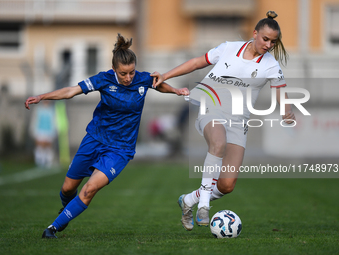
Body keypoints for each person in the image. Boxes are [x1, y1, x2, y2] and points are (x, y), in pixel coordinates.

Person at [25, 34, 189, 239]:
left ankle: (53, 228)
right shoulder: (103, 79)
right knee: (68, 189)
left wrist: (176, 90)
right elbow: (70, 91)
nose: (128, 78)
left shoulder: (142, 78)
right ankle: (67, 212)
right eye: (123, 74)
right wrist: (42, 96)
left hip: (120, 150)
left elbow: (158, 83)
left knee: (89, 189)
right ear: (114, 71)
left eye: (131, 72)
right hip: (94, 139)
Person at [151, 11, 296, 231]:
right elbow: (196, 62)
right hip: (211, 106)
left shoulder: (271, 66)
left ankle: (189, 200)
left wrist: (287, 111)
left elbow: (280, 93)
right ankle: (204, 207)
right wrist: (166, 75)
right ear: (255, 33)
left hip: (239, 121)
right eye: (265, 39)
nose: (268, 45)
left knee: (227, 184)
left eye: (273, 42)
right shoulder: (228, 48)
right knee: (218, 143)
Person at [30, 100, 57, 168]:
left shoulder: (52, 110)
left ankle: (48, 162)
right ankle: (39, 161)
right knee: (40, 146)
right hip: (40, 131)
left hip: (49, 131)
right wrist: (34, 131)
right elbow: (35, 120)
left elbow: (54, 122)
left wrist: (54, 132)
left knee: (48, 147)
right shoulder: (38, 109)